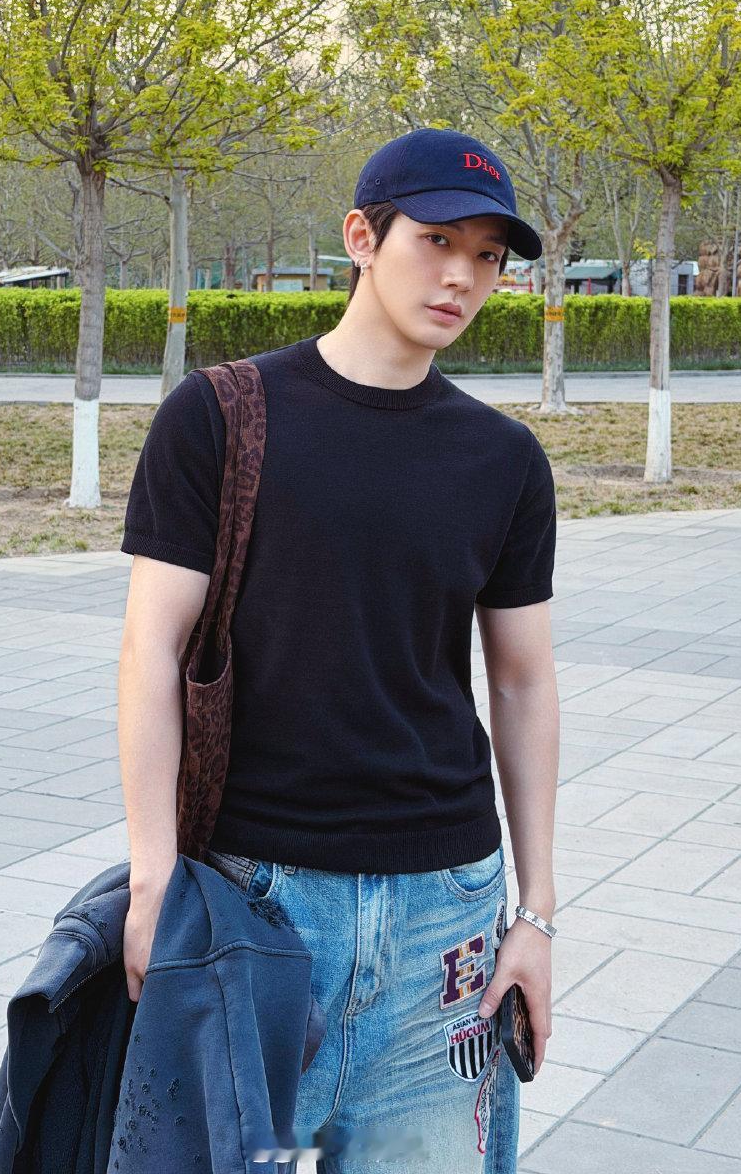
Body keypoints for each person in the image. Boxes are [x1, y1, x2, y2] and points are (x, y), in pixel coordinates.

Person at [117, 127, 559, 1173]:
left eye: (488, 256)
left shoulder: (504, 460)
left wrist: (535, 915)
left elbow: (523, 681)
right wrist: (151, 879)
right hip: (255, 907)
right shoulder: (218, 418)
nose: (462, 277)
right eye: (436, 240)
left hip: (447, 918)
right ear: (362, 237)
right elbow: (149, 651)